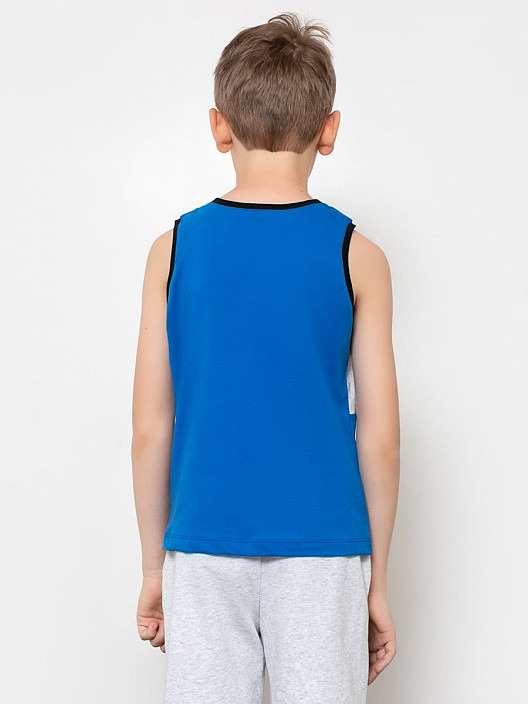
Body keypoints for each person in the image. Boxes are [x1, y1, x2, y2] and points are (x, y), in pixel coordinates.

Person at [132, 12, 400, 704]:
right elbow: (379, 436)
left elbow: (151, 427)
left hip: (201, 542)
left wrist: (154, 567)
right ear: (329, 130)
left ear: (219, 126)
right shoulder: (357, 255)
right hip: (324, 547)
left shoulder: (173, 250)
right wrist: (378, 582)